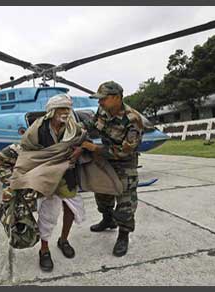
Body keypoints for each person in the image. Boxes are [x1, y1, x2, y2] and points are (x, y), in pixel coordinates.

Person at [8, 94, 99, 271]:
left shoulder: (74, 127)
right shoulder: (38, 129)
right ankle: (44, 250)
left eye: (67, 108)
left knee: (71, 210)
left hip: (68, 175)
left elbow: (84, 141)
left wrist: (78, 151)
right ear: (52, 111)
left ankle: (63, 240)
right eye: (62, 109)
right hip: (47, 177)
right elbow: (28, 150)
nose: (66, 112)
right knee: (47, 214)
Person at [82, 81, 145, 257]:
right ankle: (108, 220)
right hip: (105, 160)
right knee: (102, 194)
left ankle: (123, 236)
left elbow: (126, 151)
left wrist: (95, 149)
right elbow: (94, 124)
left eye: (103, 99)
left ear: (117, 98)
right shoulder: (103, 110)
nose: (100, 103)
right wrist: (81, 129)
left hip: (125, 163)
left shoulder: (133, 120)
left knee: (125, 202)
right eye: (99, 99)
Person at [0, 129, 25, 221]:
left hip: (9, 163)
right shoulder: (24, 149)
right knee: (12, 184)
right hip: (0, 165)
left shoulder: (26, 146)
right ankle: (6, 205)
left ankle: (9, 203)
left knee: (13, 182)